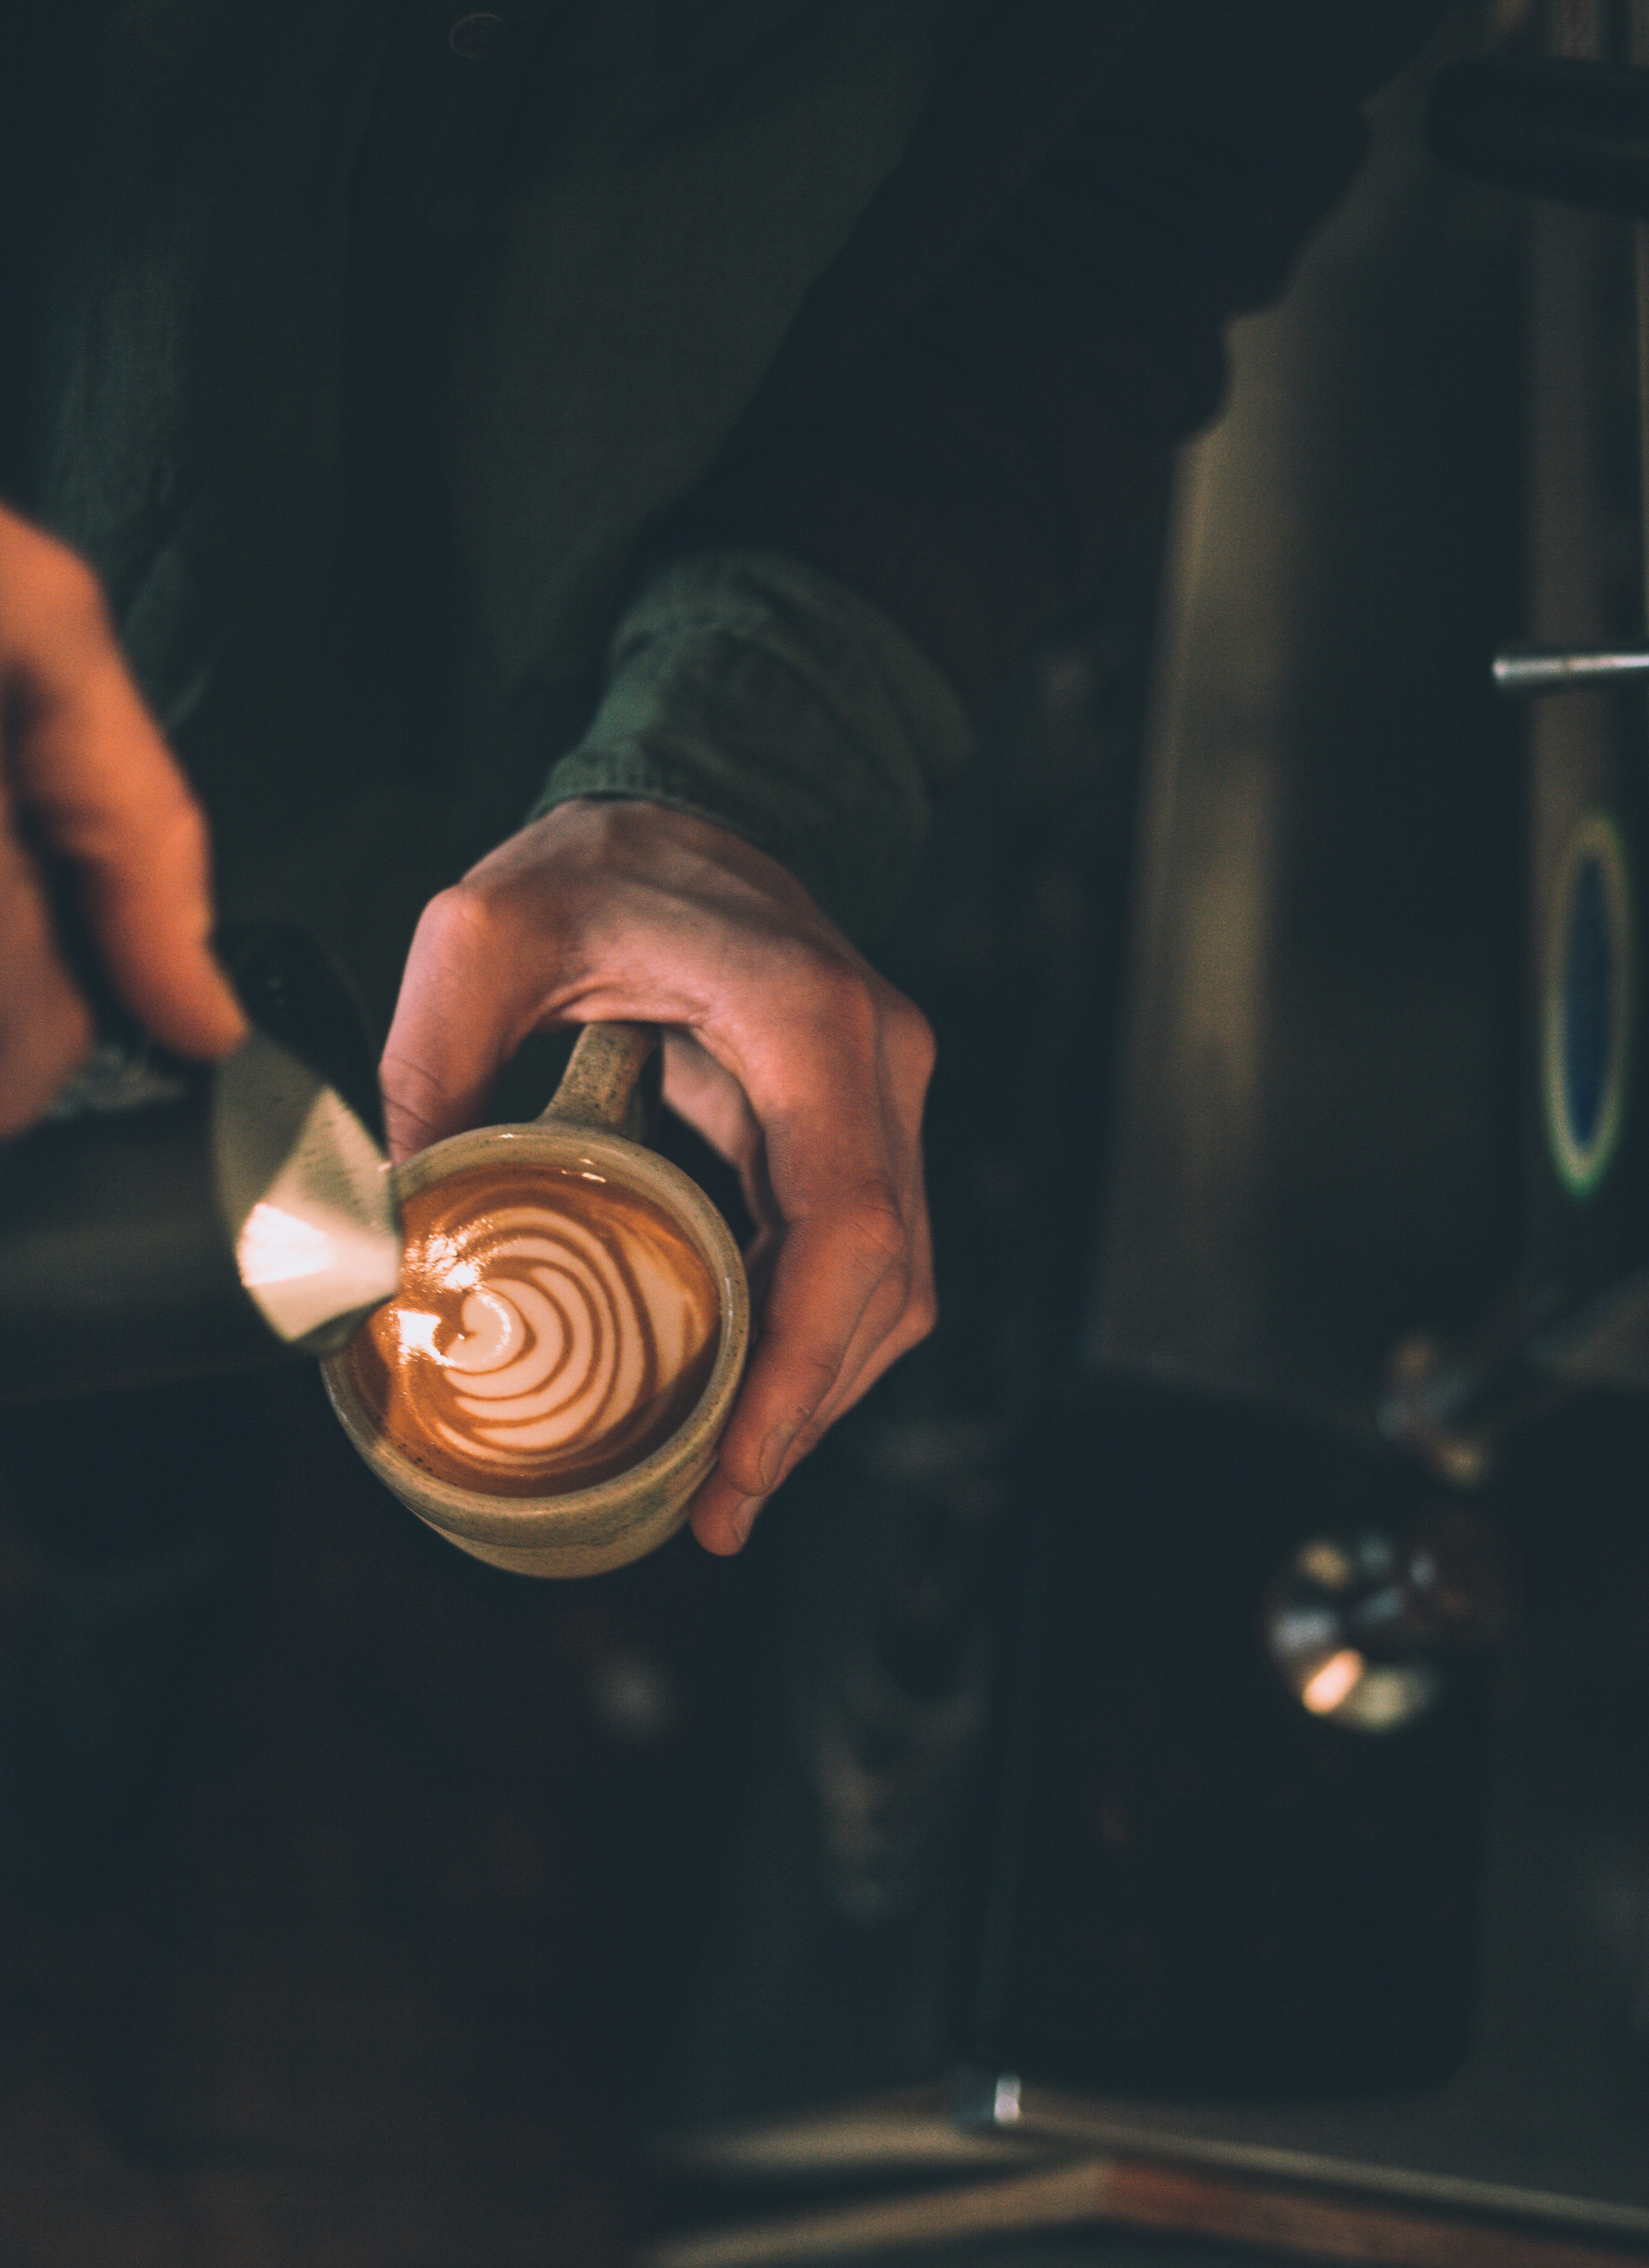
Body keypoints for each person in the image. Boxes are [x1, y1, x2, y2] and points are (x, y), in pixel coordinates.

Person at [0, 0, 1449, 1554]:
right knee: (104, 1484)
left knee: (171, 1468)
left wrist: (744, 753)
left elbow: (1167, 171)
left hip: (527, 859)